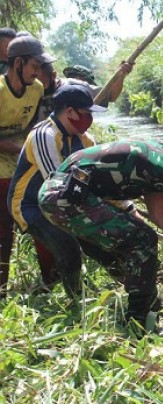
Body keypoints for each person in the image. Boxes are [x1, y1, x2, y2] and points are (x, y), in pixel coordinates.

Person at [36, 119, 163, 331]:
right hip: (68, 198)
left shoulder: (158, 158)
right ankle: (139, 323)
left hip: (59, 195)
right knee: (144, 239)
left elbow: (159, 216)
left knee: (124, 253)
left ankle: (145, 309)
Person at [8, 84, 104, 288]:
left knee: (100, 240)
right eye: (86, 113)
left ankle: (69, 287)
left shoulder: (86, 140)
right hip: (29, 204)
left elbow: (97, 176)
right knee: (67, 245)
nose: (90, 119)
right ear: (70, 112)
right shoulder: (44, 135)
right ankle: (75, 301)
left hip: (64, 200)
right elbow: (57, 183)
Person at [0, 35, 52, 298]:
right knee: (3, 229)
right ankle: (1, 289)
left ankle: (50, 283)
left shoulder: (37, 89)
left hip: (24, 161)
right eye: (34, 65)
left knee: (39, 218)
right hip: (2, 164)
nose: (38, 72)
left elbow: (35, 127)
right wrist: (13, 147)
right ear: (18, 63)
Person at [63, 63, 132, 106]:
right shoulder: (65, 84)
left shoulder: (86, 92)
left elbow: (111, 96)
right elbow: (112, 96)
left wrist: (121, 74)